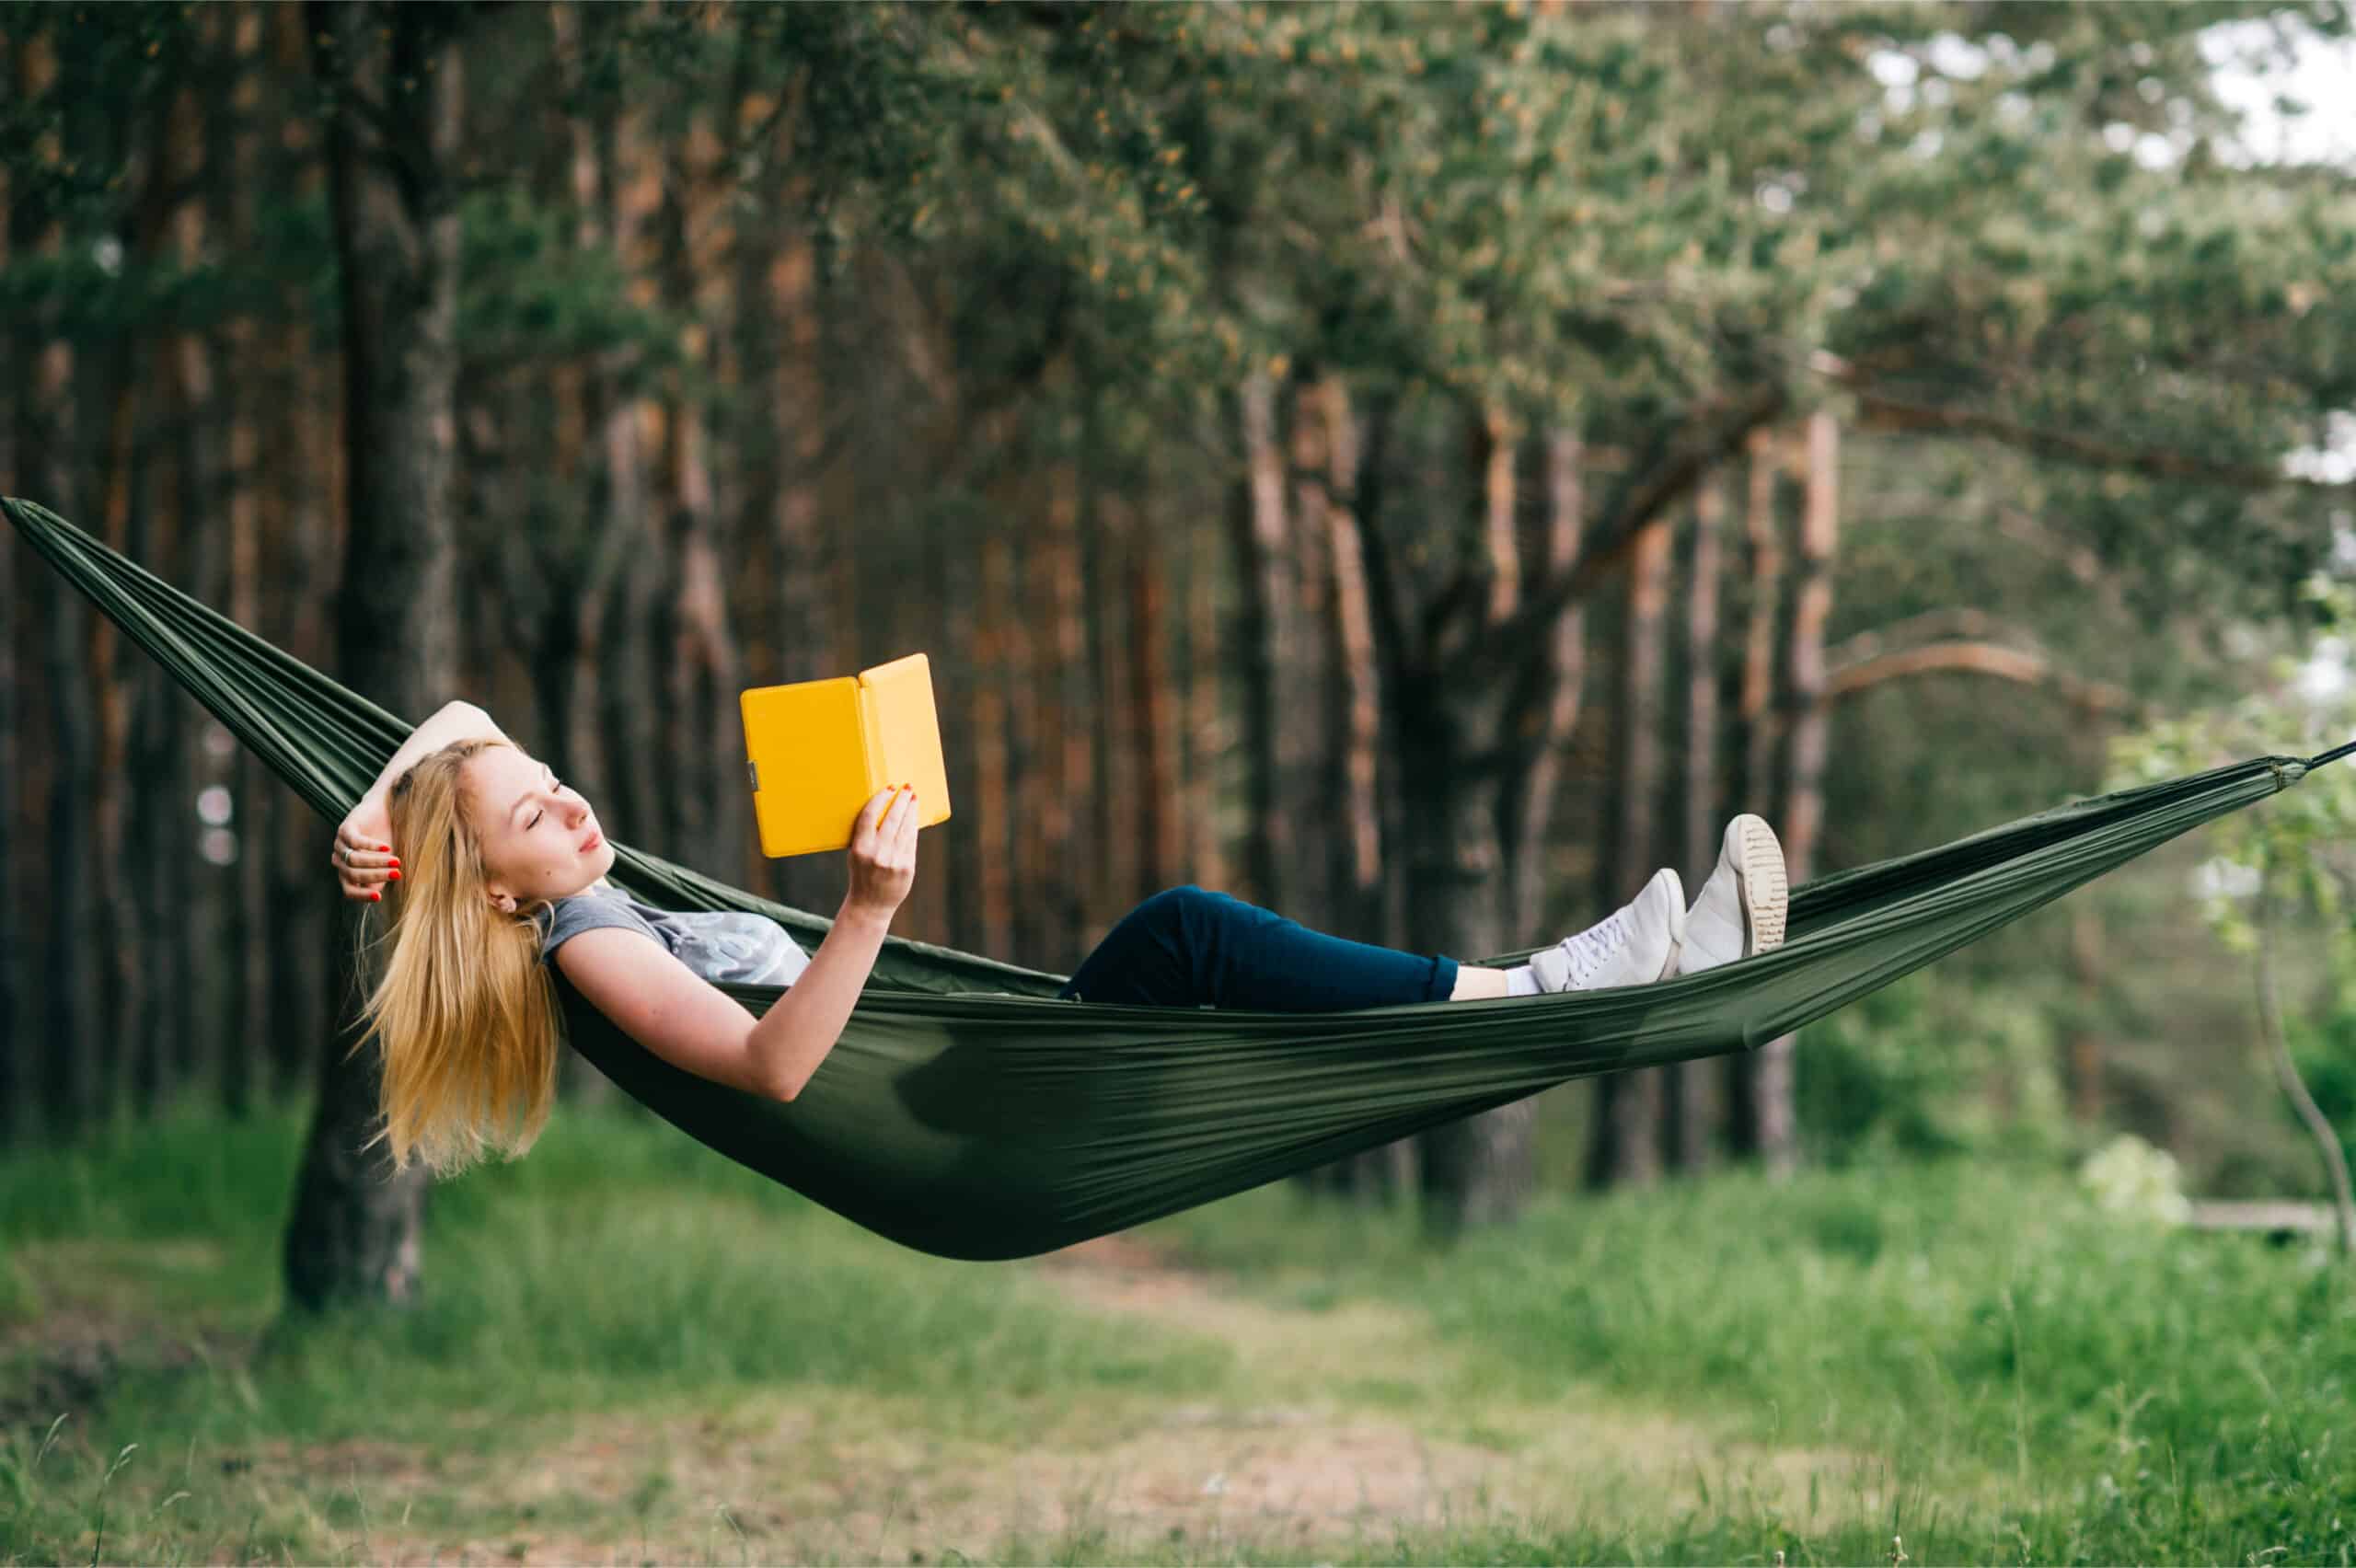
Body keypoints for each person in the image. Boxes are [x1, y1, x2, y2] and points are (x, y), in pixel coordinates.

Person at [330, 700, 1788, 1179]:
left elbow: (461, 723)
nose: (568, 799)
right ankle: (1539, 991)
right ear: (499, 888)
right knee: (1185, 933)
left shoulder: (570, 902)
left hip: (966, 1089)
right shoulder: (586, 948)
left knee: (1189, 940)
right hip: (966, 1126)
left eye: (550, 778)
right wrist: (871, 909)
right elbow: (773, 1069)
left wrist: (362, 808)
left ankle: (1565, 992)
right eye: (533, 814)